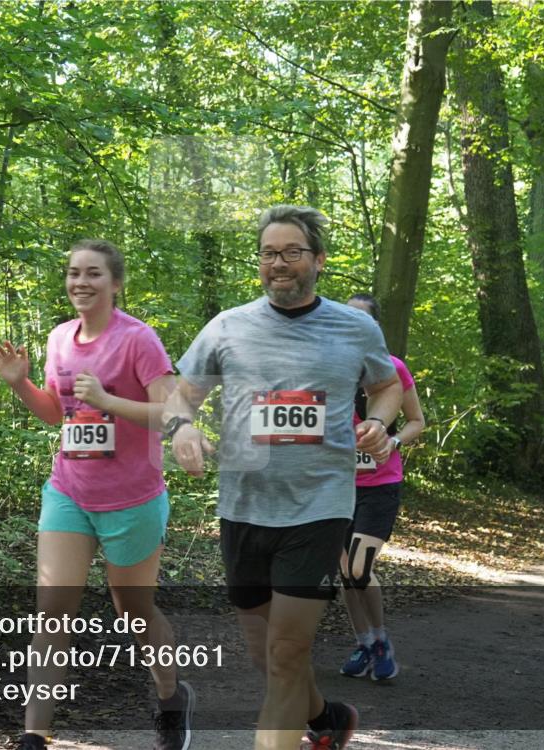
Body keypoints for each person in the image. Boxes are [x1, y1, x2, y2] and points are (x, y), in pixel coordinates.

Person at [162, 206, 402, 750]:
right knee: (267, 655)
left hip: (320, 508)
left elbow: (387, 386)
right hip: (244, 507)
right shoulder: (228, 326)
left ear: (318, 260)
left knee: (287, 652)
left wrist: (376, 420)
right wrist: (182, 428)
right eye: (270, 253)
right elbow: (179, 394)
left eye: (292, 252)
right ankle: (327, 718)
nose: (279, 263)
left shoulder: (355, 326)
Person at [0, 239, 193, 750]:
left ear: (116, 283)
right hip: (69, 491)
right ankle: (34, 735)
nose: (81, 282)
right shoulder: (59, 338)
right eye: (74, 273)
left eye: (94, 274)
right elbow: (59, 415)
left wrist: (108, 399)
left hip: (133, 497)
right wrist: (20, 384)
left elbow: (172, 414)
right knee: (53, 610)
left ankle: (171, 695)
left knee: (134, 611)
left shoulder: (139, 340)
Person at [337, 294, 425, 683]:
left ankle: (381, 641)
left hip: (380, 486)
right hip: (335, 486)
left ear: (374, 328)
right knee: (344, 571)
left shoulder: (393, 368)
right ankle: (364, 643)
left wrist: (394, 442)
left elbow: (416, 421)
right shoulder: (329, 369)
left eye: (361, 320)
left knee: (359, 566)